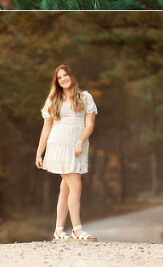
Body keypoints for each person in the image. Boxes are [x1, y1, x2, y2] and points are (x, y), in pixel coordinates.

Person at [35, 64, 98, 241]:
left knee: (66, 188)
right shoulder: (53, 100)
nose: (63, 79)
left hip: (77, 147)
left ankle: (58, 230)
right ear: (57, 82)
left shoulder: (85, 97)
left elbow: (90, 125)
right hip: (58, 145)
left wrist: (80, 141)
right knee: (76, 185)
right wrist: (40, 153)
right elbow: (46, 129)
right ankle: (77, 229)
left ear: (71, 76)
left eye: (65, 75)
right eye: (59, 77)